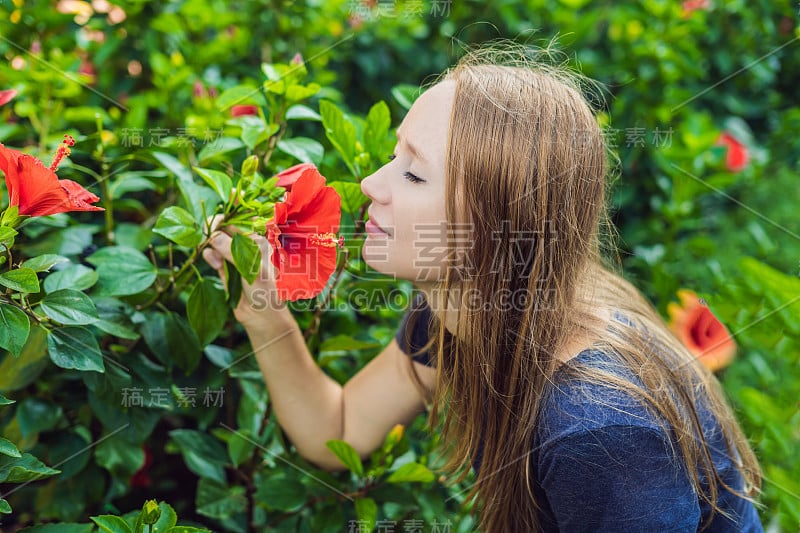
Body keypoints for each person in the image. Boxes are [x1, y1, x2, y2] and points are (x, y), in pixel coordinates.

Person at [203, 47, 763, 532]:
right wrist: (265, 314)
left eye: (413, 173)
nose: (371, 183)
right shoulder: (458, 315)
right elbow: (339, 430)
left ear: (496, 227)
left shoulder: (598, 430)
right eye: (395, 155)